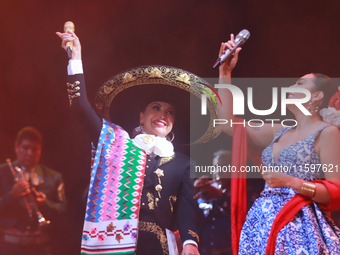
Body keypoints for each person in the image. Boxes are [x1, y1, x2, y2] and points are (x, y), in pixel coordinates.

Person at [56, 29, 201, 255]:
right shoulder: (117, 145)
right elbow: (81, 108)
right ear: (141, 117)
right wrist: (76, 60)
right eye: (156, 108)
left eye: (170, 112)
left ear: (173, 123)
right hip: (115, 241)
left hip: (160, 247)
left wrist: (190, 243)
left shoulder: (183, 163)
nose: (163, 115)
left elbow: (186, 209)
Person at [217, 34, 340, 254]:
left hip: (300, 224)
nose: (291, 86)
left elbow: (336, 191)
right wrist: (225, 73)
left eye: (300, 83)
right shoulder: (278, 131)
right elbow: (227, 123)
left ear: (317, 96)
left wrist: (293, 182)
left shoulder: (327, 133)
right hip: (261, 223)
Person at [0, 127, 67, 255]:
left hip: (41, 247)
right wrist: (11, 197)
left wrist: (45, 203)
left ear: (40, 149)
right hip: (8, 246)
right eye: (25, 148)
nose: (30, 153)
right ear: (16, 147)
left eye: (34, 149)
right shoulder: (2, 172)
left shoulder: (54, 177)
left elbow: (64, 210)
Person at [194, 150, 232, 255]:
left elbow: (239, 217)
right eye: (215, 167)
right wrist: (193, 192)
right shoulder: (205, 192)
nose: (218, 171)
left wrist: (221, 197)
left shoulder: (241, 193)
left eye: (223, 167)